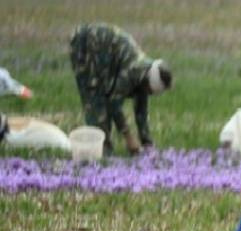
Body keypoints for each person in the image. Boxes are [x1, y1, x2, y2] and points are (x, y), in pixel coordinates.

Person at [68, 23, 171, 155]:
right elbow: (113, 104)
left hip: (106, 57)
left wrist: (147, 143)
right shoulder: (132, 72)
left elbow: (141, 110)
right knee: (95, 100)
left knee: (103, 97)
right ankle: (101, 152)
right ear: (148, 84)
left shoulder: (145, 75)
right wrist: (128, 136)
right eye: (151, 91)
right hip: (86, 45)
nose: (149, 94)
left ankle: (104, 150)